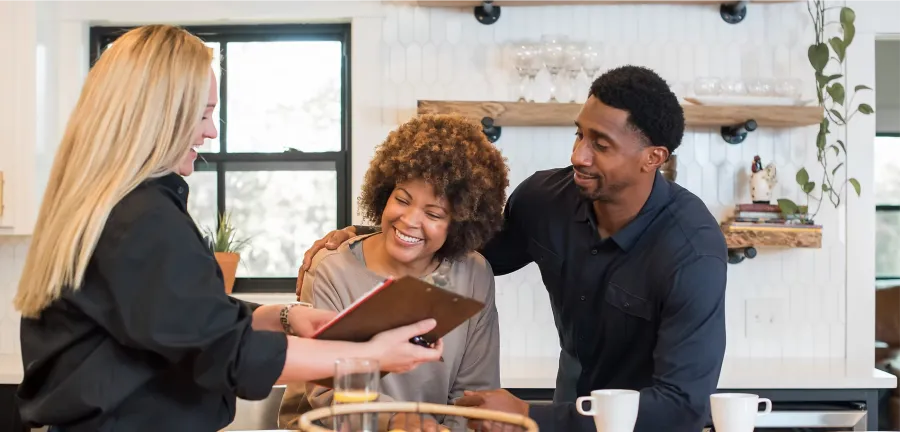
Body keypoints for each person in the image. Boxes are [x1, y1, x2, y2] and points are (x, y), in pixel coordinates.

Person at [12, 25, 442, 432]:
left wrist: (283, 316)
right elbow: (225, 354)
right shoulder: (140, 216)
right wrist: (367, 356)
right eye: (203, 114)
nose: (212, 132)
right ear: (160, 117)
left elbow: (181, 317)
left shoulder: (112, 205)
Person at [297, 65, 728, 432]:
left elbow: (684, 405)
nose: (579, 156)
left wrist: (529, 414)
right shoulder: (546, 199)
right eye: (579, 135)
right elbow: (457, 243)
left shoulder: (692, 252)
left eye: (600, 145)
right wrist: (361, 234)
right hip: (565, 408)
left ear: (653, 157)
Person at [279, 113, 508, 431]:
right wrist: (397, 421)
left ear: (459, 225)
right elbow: (326, 393)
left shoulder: (474, 275)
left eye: (433, 213)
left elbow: (473, 395)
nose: (410, 220)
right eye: (402, 199)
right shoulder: (331, 270)